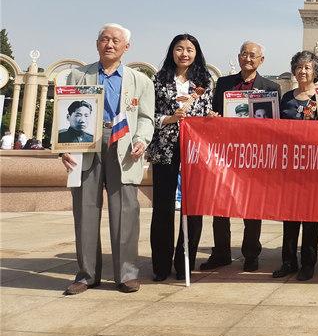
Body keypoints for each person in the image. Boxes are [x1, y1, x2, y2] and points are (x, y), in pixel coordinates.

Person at [60, 23, 155, 295]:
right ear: (97, 43)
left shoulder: (141, 80)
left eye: (115, 40)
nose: (109, 44)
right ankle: (86, 275)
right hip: (85, 145)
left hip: (124, 145)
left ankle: (126, 274)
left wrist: (141, 139)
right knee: (85, 210)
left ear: (127, 46)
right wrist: (62, 147)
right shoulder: (77, 76)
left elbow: (147, 119)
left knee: (126, 210)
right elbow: (64, 112)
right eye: (104, 39)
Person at [200, 41, 280, 273]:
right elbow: (213, 114)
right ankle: (221, 252)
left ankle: (251, 253)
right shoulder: (224, 84)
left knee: (252, 207)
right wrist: (213, 116)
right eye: (244, 54)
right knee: (220, 205)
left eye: (253, 55)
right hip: (225, 154)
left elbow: (275, 125)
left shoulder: (271, 87)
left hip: (254, 156)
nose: (248, 58)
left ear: (261, 60)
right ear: (238, 57)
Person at [148, 33, 214, 281]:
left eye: (189, 49)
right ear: (171, 51)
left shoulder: (204, 82)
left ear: (197, 53)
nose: (184, 54)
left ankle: (185, 261)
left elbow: (207, 115)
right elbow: (148, 115)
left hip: (194, 150)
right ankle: (161, 265)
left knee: (193, 207)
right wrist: (170, 119)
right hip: (165, 148)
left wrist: (212, 119)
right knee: (163, 207)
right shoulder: (158, 80)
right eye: (179, 49)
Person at [273, 50, 318, 281]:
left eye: (308, 67)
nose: (303, 71)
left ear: (315, 71)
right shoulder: (286, 98)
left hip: (315, 168)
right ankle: (288, 261)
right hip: (290, 167)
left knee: (311, 217)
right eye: (299, 67)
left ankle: (308, 263)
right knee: (290, 217)